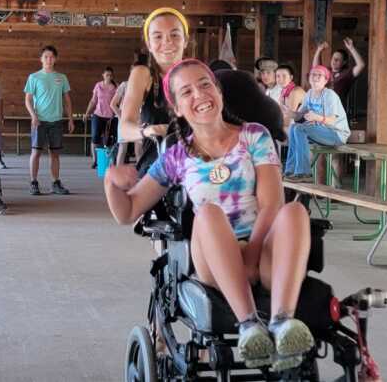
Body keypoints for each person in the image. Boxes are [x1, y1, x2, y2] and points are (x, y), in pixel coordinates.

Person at [104, 59, 313, 371]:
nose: (199, 95)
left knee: (294, 210)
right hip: (214, 261)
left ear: (219, 91)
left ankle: (282, 323)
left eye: (205, 85)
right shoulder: (177, 155)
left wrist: (252, 257)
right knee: (208, 215)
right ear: (176, 107)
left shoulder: (254, 136)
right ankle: (249, 325)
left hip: (263, 251)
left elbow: (271, 204)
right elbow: (128, 211)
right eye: (186, 91)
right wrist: (110, 180)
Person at [118, 8, 188, 177]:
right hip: (156, 170)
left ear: (185, 40)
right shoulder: (143, 74)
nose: (167, 42)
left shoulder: (196, 74)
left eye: (175, 35)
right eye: (158, 36)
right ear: (149, 44)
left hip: (194, 168)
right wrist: (148, 131)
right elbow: (124, 129)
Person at [283, 65, 350, 182]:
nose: (316, 77)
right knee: (294, 127)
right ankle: (290, 170)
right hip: (321, 132)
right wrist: (290, 113)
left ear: (325, 80)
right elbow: (300, 116)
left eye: (320, 75)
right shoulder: (309, 93)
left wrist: (317, 117)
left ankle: (304, 173)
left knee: (299, 129)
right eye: (313, 74)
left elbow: (332, 120)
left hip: (337, 134)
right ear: (309, 78)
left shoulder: (329, 95)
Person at [24, 45, 74, 195]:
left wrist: (70, 119)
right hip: (39, 121)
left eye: (51, 57)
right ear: (41, 59)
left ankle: (55, 183)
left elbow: (67, 100)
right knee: (36, 152)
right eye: (46, 57)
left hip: (57, 120)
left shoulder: (62, 77)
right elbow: (27, 100)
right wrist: (33, 116)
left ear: (56, 59)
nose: (49, 59)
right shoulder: (34, 77)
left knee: (55, 154)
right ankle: (33, 182)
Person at [111, 50, 149, 165]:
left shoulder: (146, 86)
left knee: (139, 150)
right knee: (123, 149)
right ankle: (117, 176)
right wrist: (121, 117)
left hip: (139, 120)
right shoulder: (124, 85)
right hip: (125, 119)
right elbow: (113, 104)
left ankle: (141, 175)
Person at [84, 66, 118, 169]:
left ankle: (111, 160)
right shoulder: (98, 85)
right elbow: (93, 101)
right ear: (103, 75)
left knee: (110, 140)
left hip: (110, 117)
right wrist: (87, 113)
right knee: (95, 137)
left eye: (110, 75)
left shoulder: (116, 87)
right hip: (98, 115)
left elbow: (119, 101)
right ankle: (95, 161)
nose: (109, 77)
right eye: (107, 75)